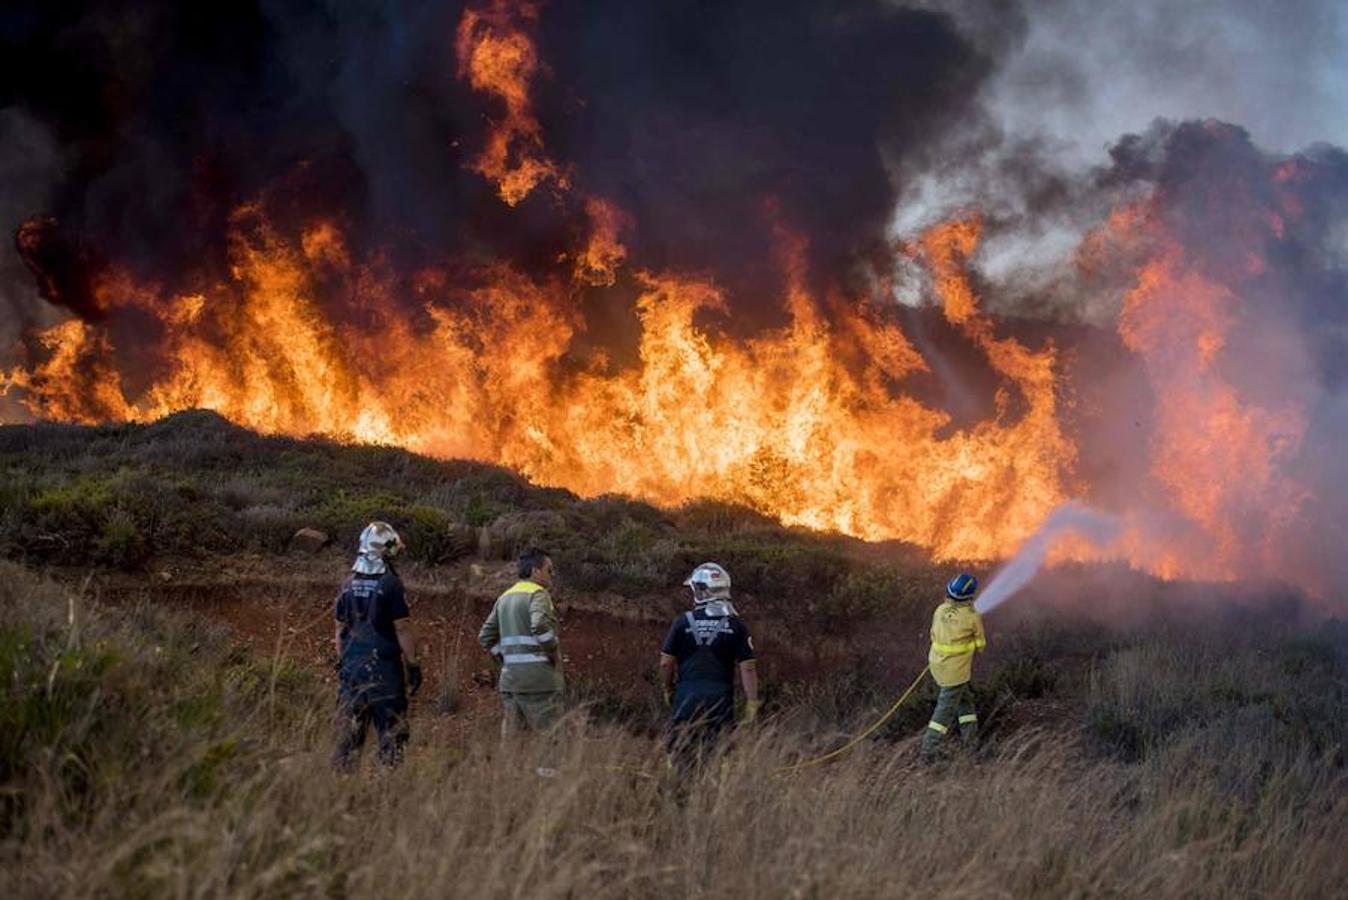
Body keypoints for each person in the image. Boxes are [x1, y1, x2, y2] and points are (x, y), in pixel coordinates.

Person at [332, 521, 422, 771]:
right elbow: (402, 628)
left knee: (348, 738)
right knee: (392, 738)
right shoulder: (390, 584)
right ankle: (387, 793)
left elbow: (339, 631)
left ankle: (339, 793)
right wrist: (413, 665)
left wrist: (343, 662)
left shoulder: (347, 584)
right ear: (386, 551)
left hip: (351, 672)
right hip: (385, 672)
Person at [659, 562, 759, 773]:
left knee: (678, 752)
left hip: (685, 699)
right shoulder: (736, 626)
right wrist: (751, 702)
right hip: (720, 702)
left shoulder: (682, 622)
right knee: (719, 755)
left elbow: (666, 662)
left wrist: (667, 689)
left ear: (700, 591)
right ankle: (717, 799)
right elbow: (748, 669)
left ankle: (675, 793)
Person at [479, 547, 564, 737]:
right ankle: (546, 769)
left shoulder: (504, 598)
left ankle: (510, 768)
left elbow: (485, 637)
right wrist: (552, 651)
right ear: (535, 571)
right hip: (538, 680)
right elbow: (539, 626)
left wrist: (504, 655)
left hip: (510, 681)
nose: (552, 574)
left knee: (513, 739)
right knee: (551, 738)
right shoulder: (538, 595)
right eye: (549, 570)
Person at [921, 572, 987, 763]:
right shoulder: (973, 617)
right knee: (944, 712)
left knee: (965, 702)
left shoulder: (940, 609)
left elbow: (933, 634)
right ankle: (928, 751)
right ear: (970, 596)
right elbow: (981, 646)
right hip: (955, 672)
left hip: (937, 664)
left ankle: (972, 743)